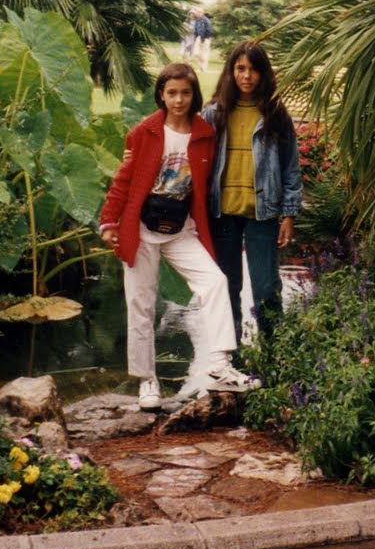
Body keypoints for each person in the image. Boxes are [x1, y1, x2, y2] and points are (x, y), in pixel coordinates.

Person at [97, 62, 256, 411]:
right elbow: (124, 179)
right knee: (142, 304)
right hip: (141, 229)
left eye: (185, 92)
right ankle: (147, 380)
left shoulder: (204, 133)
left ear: (193, 94)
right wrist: (109, 222)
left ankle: (218, 365)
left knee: (215, 282)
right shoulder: (145, 132)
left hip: (181, 230)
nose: (179, 99)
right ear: (161, 95)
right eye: (171, 93)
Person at [201, 41, 303, 345]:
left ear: (264, 73)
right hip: (223, 215)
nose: (247, 76)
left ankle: (273, 353)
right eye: (241, 69)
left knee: (266, 287)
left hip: (263, 213)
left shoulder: (274, 114)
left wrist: (289, 213)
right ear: (231, 72)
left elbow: (291, 166)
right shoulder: (214, 114)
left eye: (254, 69)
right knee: (226, 287)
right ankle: (230, 355)